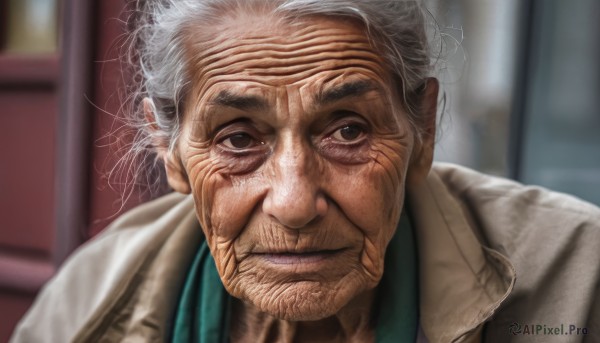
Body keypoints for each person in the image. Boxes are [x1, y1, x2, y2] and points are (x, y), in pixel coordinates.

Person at [11, 0, 600, 342]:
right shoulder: (85, 303)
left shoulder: (579, 283)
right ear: (170, 150)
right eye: (238, 138)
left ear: (419, 130)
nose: (293, 202)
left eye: (348, 130)